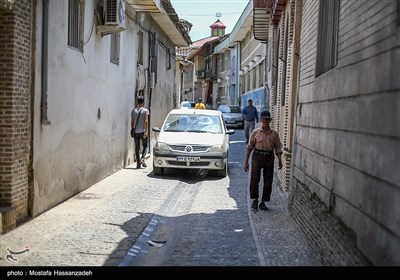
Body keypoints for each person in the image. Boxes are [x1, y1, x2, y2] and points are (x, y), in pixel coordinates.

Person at [244, 111, 283, 211]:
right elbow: (249, 147)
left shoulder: (274, 134)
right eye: (263, 119)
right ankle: (255, 199)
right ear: (261, 120)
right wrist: (246, 162)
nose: (265, 121)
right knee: (254, 179)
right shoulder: (255, 132)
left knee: (268, 180)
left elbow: (278, 148)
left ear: (270, 120)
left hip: (269, 157)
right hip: (257, 156)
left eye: (267, 119)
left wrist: (279, 160)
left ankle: (263, 202)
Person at [131, 95, 149, 169]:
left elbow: (132, 122)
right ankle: (142, 158)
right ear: (143, 102)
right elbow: (146, 121)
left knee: (137, 147)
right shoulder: (145, 111)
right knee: (145, 146)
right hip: (142, 131)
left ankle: (138, 163)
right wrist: (145, 131)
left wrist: (133, 129)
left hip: (136, 132)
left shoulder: (133, 110)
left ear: (137, 102)